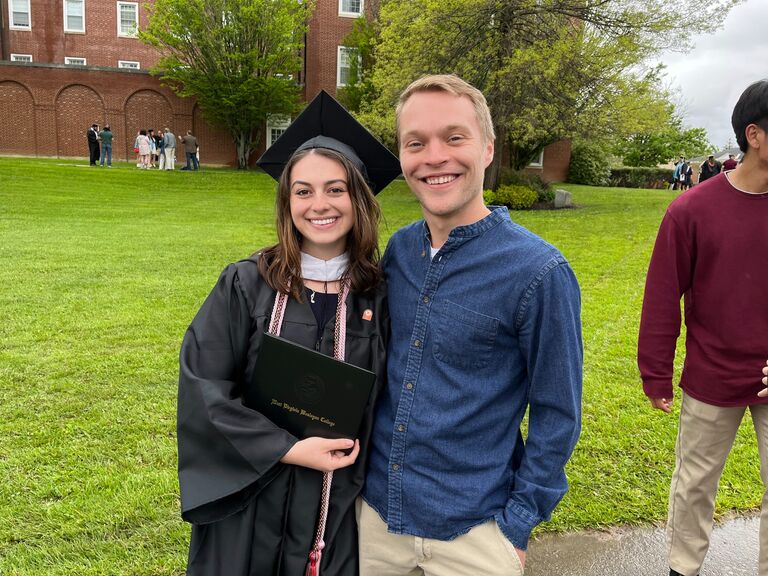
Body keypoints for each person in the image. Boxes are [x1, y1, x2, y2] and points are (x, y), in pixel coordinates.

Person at [360, 74, 582, 576]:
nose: (434, 156)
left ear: (486, 148)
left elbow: (557, 413)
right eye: (415, 143)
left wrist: (516, 526)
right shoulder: (400, 250)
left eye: (454, 137)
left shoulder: (539, 273)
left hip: (475, 532)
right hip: (375, 518)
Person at [177, 90, 401, 576]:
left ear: (358, 197)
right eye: (303, 190)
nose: (319, 204)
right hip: (248, 506)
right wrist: (289, 449)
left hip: (334, 510)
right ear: (287, 200)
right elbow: (203, 384)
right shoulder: (246, 283)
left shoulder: (379, 295)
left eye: (335, 189)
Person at [638, 79, 768, 576]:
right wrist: (655, 372)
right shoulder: (692, 209)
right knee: (695, 484)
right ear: (754, 135)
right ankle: (682, 568)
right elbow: (661, 296)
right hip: (712, 374)